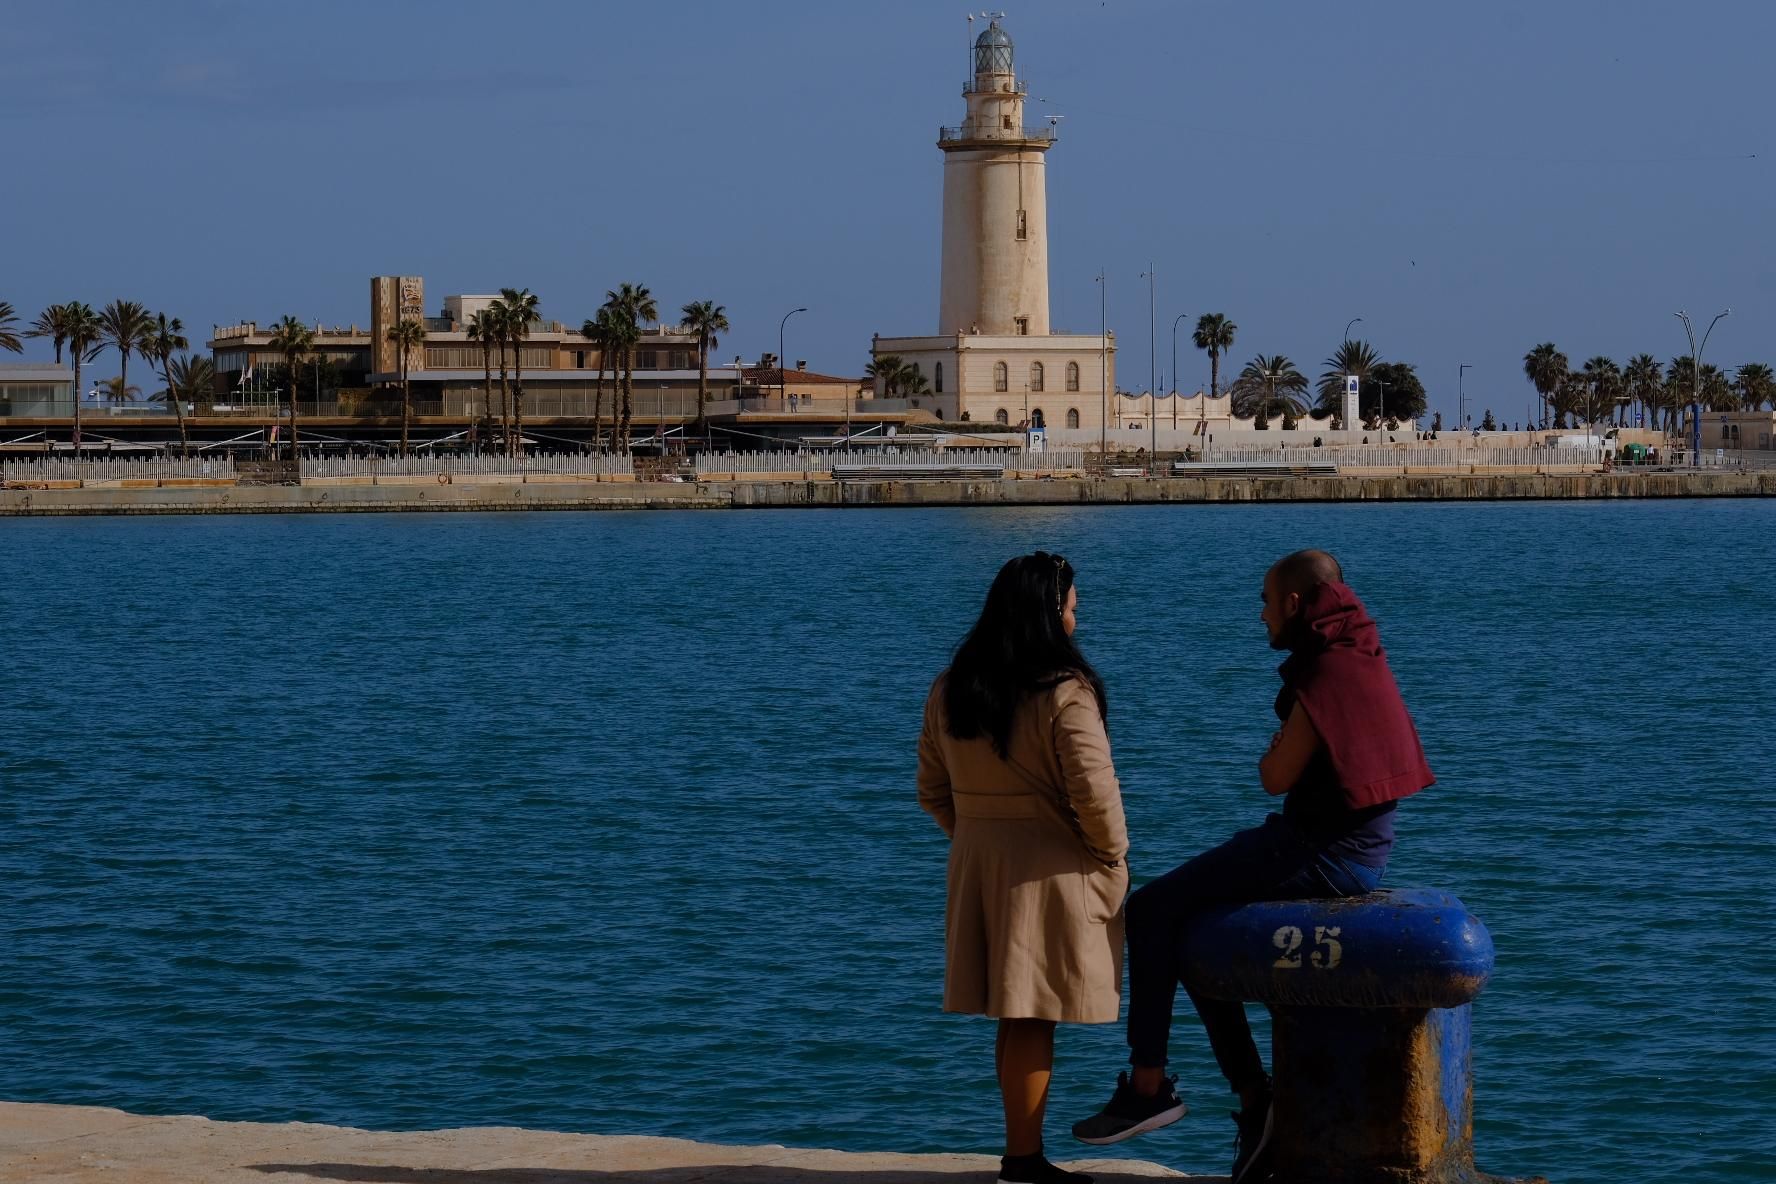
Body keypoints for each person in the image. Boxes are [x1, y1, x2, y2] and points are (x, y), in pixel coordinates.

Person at [1072, 549, 1433, 1184]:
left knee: (1153, 909)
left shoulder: (1324, 676)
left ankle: (1152, 1084)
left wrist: (1281, 747)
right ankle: (1253, 1098)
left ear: (1296, 604)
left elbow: (1274, 775)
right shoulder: (1360, 655)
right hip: (1356, 852)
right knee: (1190, 926)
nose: (1261, 615)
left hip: (1321, 854)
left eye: (1267, 602)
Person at [918, 552, 1129, 1184]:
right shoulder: (1064, 692)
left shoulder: (952, 686)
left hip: (980, 865)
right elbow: (1097, 797)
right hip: (1051, 872)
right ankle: (1024, 1159)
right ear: (1047, 611)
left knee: (1017, 1014)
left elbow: (931, 790)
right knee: (1034, 1013)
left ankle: (1022, 1151)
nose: (1075, 614)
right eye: (1070, 605)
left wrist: (980, 837)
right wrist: (1110, 856)